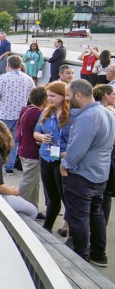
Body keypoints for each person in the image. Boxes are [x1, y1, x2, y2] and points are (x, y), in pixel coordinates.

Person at [61, 79, 115, 266]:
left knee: (79, 216)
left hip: (82, 175)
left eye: (68, 95)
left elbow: (78, 148)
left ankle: (80, 257)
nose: (66, 99)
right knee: (96, 214)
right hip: (100, 173)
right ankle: (99, 254)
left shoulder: (87, 117)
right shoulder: (106, 113)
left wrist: (65, 164)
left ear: (78, 95)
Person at [35, 81, 75, 234]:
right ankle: (47, 228)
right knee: (52, 196)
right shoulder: (46, 112)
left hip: (63, 160)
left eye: (52, 96)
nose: (49, 99)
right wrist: (41, 136)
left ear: (63, 96)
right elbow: (36, 132)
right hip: (47, 157)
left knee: (66, 196)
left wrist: (67, 153)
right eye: (48, 96)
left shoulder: (72, 115)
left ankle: (69, 227)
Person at [0, 54, 36, 174]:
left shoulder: (3, 78)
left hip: (3, 114)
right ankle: (9, 166)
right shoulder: (28, 78)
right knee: (15, 141)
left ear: (8, 65)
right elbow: (33, 96)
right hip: (20, 115)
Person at [16, 87, 47, 209]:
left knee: (34, 184)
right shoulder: (37, 113)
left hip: (24, 149)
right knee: (28, 182)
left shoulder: (26, 109)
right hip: (32, 152)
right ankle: (18, 207)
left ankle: (33, 208)